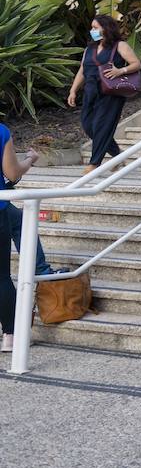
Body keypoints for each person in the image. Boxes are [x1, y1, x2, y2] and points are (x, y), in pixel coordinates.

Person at [68, 14, 141, 173]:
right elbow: (82, 70)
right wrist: (73, 90)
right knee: (88, 125)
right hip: (90, 91)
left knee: (101, 125)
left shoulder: (119, 46)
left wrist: (120, 70)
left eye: (95, 28)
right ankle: (117, 156)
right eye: (92, 28)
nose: (92, 30)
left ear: (106, 28)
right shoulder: (89, 48)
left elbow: (137, 64)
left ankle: (95, 163)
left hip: (110, 93)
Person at [1, 122, 41, 352]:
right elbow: (12, 173)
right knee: (1, 277)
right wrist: (30, 160)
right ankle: (11, 336)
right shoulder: (1, 131)